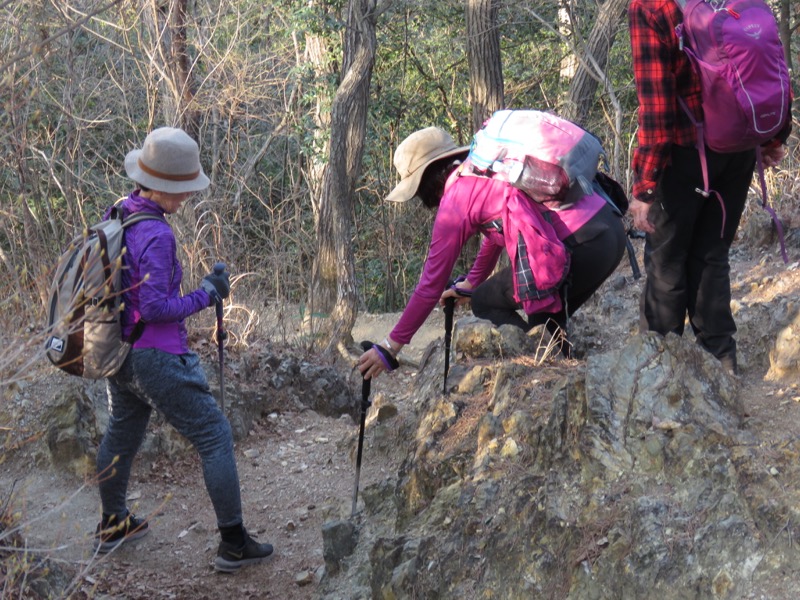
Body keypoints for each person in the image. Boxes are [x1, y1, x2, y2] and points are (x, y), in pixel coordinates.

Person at [94, 127, 273, 574]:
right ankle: (233, 543)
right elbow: (155, 307)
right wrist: (206, 294)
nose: (187, 197)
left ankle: (113, 523)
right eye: (183, 189)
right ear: (163, 186)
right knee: (215, 435)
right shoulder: (158, 234)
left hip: (121, 353)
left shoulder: (121, 211)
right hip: (156, 355)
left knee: (122, 431)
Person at [358, 125, 626, 380]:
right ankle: (566, 377)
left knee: (491, 306)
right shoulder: (486, 169)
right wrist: (471, 283)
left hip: (580, 246)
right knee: (546, 330)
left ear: (426, 181)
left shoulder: (455, 202)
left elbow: (430, 285)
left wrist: (390, 347)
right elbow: (497, 233)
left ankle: (546, 370)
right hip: (608, 231)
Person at [628, 1, 791, 375]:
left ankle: (659, 372)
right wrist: (772, 134)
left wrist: (644, 186)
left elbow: (655, 105)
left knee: (667, 264)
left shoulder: (651, 5)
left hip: (686, 152)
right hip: (738, 147)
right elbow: (770, 64)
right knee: (712, 255)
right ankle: (721, 364)